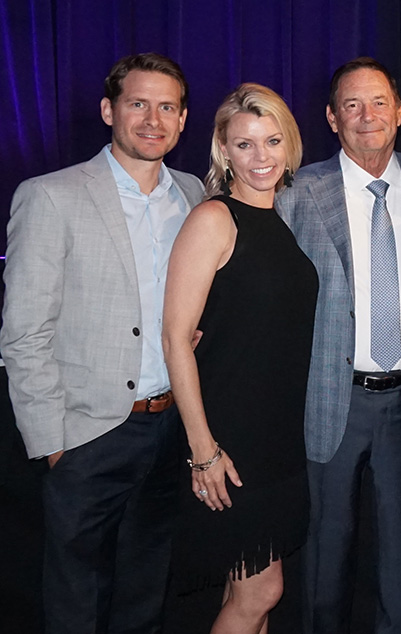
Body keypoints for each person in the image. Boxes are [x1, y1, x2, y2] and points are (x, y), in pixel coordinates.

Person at [0, 53, 203, 633]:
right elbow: (23, 333)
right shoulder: (50, 195)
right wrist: (54, 445)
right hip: (89, 435)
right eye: (138, 103)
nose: (152, 119)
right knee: (76, 603)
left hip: (170, 433)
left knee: (145, 593)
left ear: (184, 118)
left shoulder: (191, 193)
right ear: (108, 109)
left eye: (167, 106)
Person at [274, 58, 401, 634]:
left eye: (379, 102)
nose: (367, 116)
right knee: (327, 558)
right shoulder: (298, 190)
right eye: (351, 105)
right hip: (332, 397)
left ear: (399, 113)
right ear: (331, 118)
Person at [162, 83, 316, 630]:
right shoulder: (214, 219)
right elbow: (175, 337)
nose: (261, 157)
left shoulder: (281, 222)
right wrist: (203, 448)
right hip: (230, 435)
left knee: (248, 585)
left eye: (272, 141)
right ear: (223, 150)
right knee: (262, 590)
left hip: (278, 435)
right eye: (244, 144)